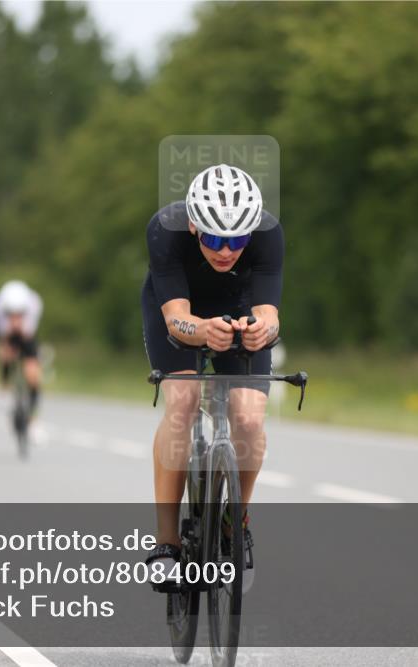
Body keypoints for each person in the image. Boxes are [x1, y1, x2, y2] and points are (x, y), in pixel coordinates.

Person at [142, 164, 283, 586]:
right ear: (193, 225)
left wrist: (262, 332)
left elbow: (269, 315)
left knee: (249, 417)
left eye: (237, 240)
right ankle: (166, 543)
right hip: (179, 309)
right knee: (183, 401)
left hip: (238, 310)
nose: (226, 251)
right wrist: (202, 330)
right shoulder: (165, 230)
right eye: (215, 239)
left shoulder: (269, 233)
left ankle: (233, 521)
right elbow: (175, 320)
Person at [0, 280, 44, 434]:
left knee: (33, 374)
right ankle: (4, 390)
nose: (15, 316)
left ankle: (34, 421)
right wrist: (9, 330)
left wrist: (21, 327)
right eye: (11, 314)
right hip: (6, 333)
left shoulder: (34, 305)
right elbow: (2, 337)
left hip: (26, 334)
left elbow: (29, 336)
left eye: (19, 313)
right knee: (5, 354)